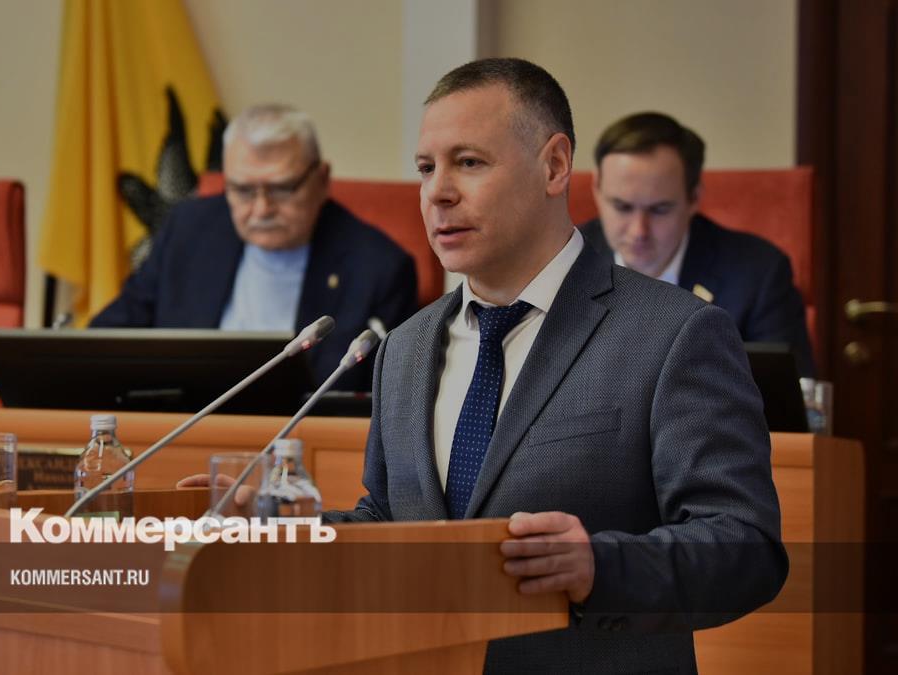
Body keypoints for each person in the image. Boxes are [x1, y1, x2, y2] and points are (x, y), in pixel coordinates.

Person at [323, 59, 787, 672]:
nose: (438, 192)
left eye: (469, 162)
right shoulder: (403, 347)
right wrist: (271, 527)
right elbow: (390, 519)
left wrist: (600, 568)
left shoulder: (674, 334)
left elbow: (746, 547)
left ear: (554, 165)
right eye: (426, 168)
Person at [88, 104, 418, 391]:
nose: (261, 209)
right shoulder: (188, 230)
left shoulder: (378, 267)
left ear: (321, 179)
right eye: (243, 190)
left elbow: (394, 398)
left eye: (282, 189)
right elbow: (106, 342)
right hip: (184, 427)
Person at [579, 111, 816, 376]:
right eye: (622, 207)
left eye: (660, 209)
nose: (638, 231)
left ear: (694, 198)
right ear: (596, 189)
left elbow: (788, 394)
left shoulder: (759, 274)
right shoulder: (563, 259)